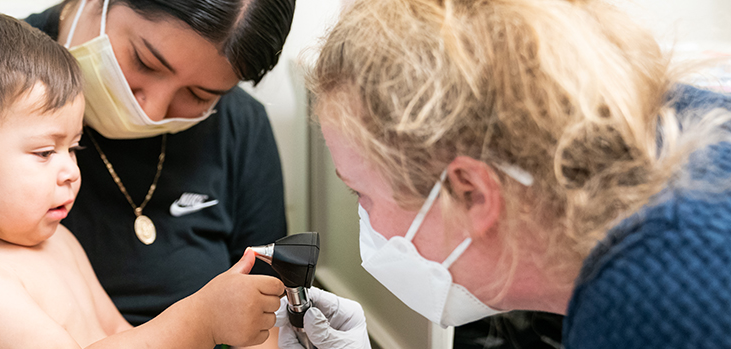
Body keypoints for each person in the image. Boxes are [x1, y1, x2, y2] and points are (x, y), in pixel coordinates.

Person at [0, 0, 294, 348]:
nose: (151, 109)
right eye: (145, 62)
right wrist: (198, 323)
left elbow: (122, 336)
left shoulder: (51, 236)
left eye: (200, 95)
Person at [277, 0, 731, 348]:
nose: (366, 221)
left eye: (361, 193)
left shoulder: (652, 305)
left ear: (471, 192)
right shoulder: (674, 118)